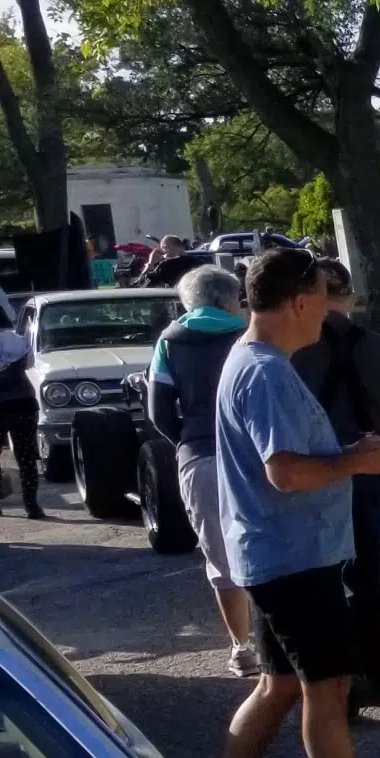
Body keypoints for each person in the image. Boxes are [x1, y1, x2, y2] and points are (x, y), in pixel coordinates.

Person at [206, 245, 380, 758]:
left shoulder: (254, 360)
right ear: (301, 302)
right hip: (292, 558)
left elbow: (289, 462)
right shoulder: (268, 371)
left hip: (278, 554)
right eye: (325, 300)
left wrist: (351, 454)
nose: (331, 313)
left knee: (279, 686)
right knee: (326, 689)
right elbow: (284, 472)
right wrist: (358, 459)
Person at [294, 260, 380, 705]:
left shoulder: (292, 350)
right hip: (370, 474)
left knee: (316, 575)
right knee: (364, 573)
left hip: (310, 474)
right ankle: (371, 670)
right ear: (348, 297)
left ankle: (330, 677)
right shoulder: (378, 347)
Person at [148, 265, 258, 672]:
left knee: (220, 556)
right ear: (231, 301)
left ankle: (242, 647)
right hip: (255, 455)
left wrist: (185, 440)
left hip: (201, 454)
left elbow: (159, 410)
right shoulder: (248, 335)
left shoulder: (170, 341)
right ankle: (278, 640)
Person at [0, 296, 43, 520]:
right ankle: (31, 505)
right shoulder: (19, 341)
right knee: (26, 457)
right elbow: (30, 364)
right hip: (22, 403)